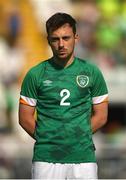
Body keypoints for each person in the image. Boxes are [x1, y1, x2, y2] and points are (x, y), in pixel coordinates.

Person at [19, 12, 108, 179]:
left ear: (76, 38)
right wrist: (49, 138)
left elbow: (101, 116)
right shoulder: (35, 74)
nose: (61, 44)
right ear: (48, 41)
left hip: (83, 159)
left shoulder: (92, 72)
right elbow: (24, 118)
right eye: (55, 39)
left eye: (66, 38)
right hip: (46, 159)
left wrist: (76, 137)